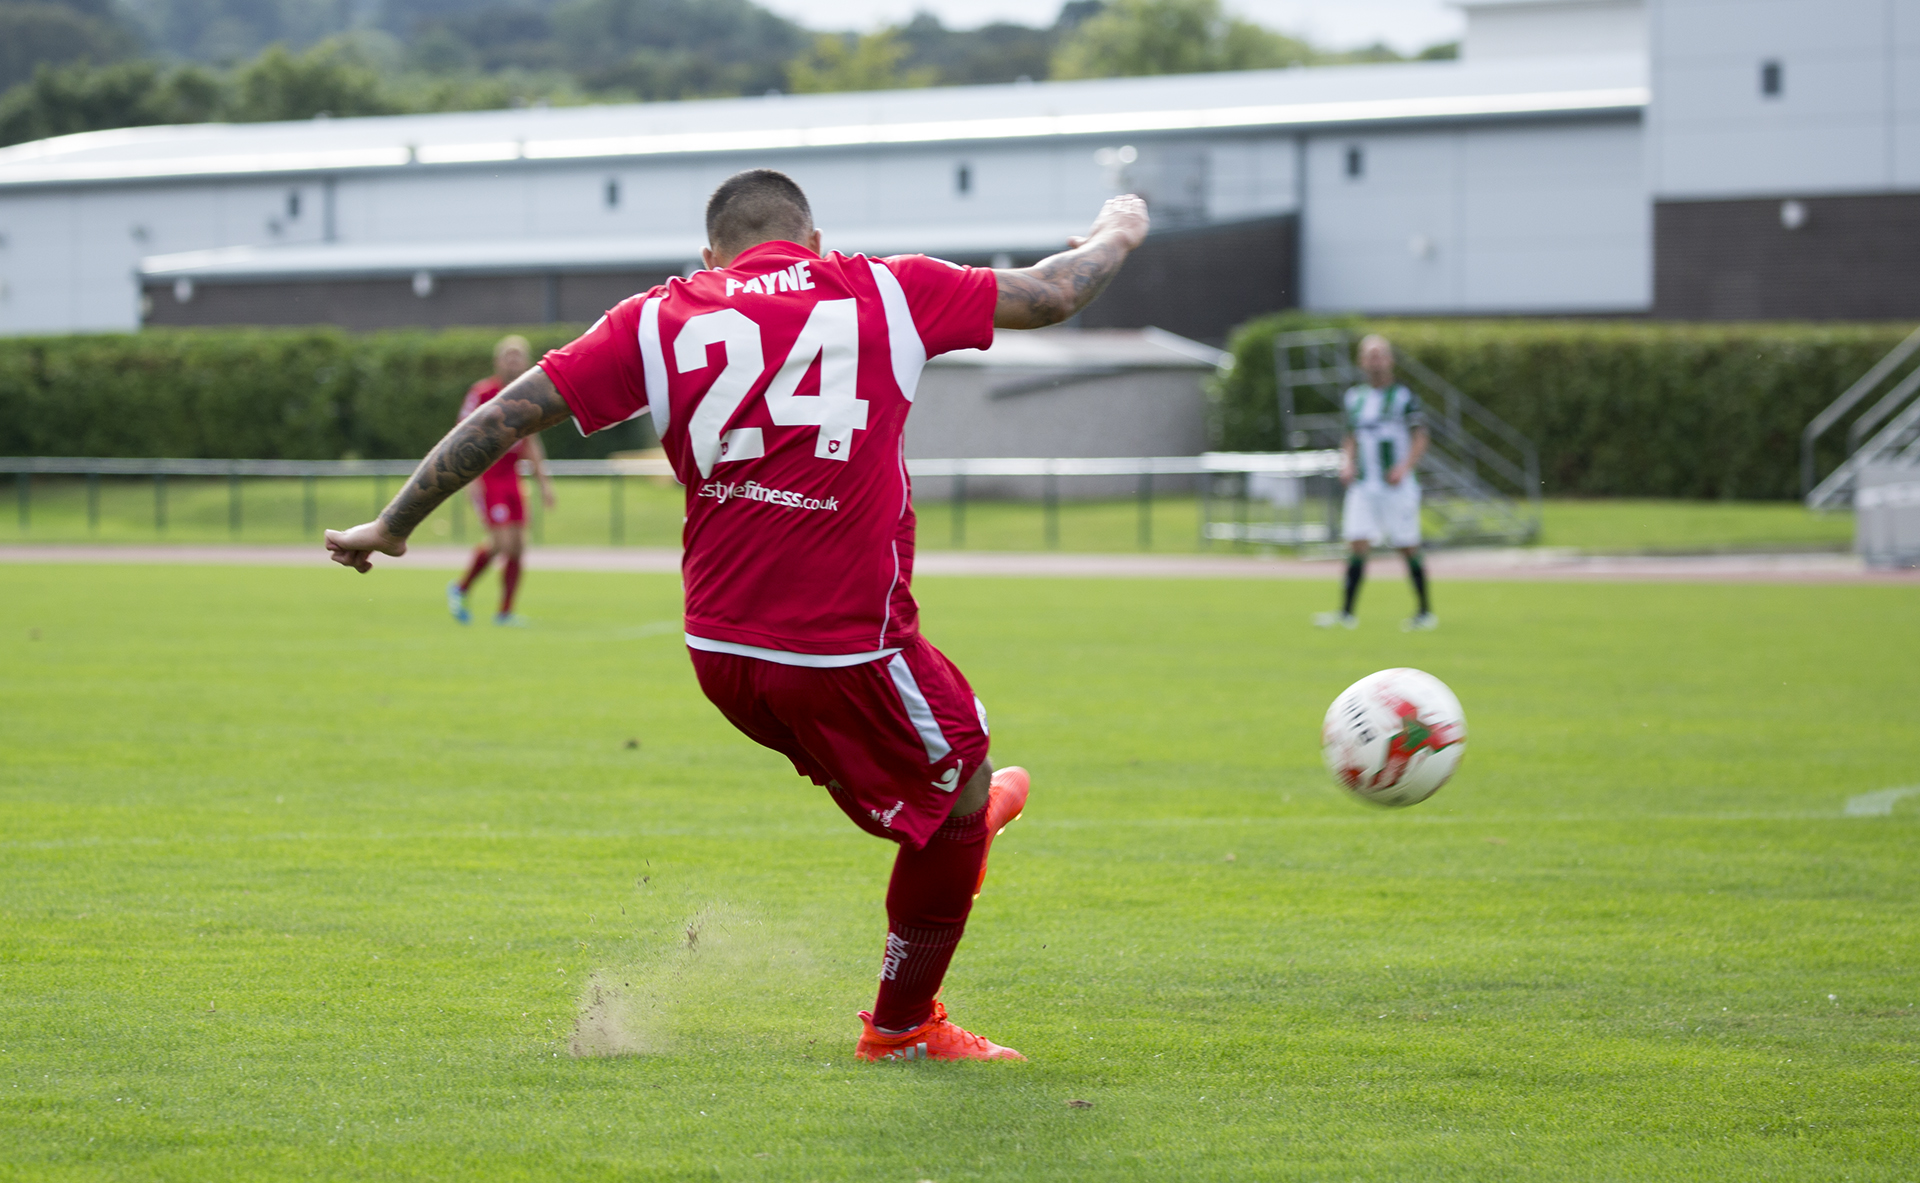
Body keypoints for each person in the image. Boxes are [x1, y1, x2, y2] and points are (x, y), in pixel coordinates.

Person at [326, 170, 1150, 1062]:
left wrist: (393, 523)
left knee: (936, 791)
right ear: (817, 241)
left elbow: (514, 409)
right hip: (842, 645)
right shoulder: (880, 287)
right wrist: (1119, 228)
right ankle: (904, 1026)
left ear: (710, 254)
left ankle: (952, 822)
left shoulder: (657, 315)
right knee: (961, 787)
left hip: (720, 654)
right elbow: (1058, 290)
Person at [1314, 333, 1437, 632]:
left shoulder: (1404, 397)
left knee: (1406, 544)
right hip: (1364, 485)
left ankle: (1424, 612)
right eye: (1370, 355)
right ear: (1361, 361)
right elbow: (1350, 437)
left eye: (1380, 354)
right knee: (1356, 543)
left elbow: (1421, 437)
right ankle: (1346, 613)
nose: (1375, 360)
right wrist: (1347, 462)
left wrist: (1403, 467)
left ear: (1390, 360)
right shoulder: (1355, 398)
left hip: (1396, 485)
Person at [446, 335, 556, 626]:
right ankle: (460, 588)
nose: (513, 360)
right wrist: (470, 481)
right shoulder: (482, 393)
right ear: (498, 361)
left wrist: (544, 482)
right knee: (502, 543)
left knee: (517, 546)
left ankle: (505, 612)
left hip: (512, 477)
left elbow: (531, 441)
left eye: (518, 356)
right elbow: (461, 437)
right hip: (489, 475)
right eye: (508, 355)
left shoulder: (528, 395)